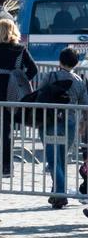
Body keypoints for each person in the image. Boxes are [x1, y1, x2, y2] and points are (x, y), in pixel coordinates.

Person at [0, 17, 37, 176]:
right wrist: (19, 78)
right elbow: (33, 70)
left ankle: (5, 165)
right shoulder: (20, 50)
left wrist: (0, 78)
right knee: (11, 128)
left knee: (4, 129)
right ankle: (8, 162)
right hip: (16, 94)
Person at [32, 48, 88, 208]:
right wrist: (83, 125)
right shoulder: (79, 80)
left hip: (50, 122)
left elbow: (39, 94)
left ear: (60, 61)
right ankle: (56, 192)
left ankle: (60, 193)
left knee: (53, 160)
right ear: (76, 63)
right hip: (70, 124)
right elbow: (85, 105)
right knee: (62, 158)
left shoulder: (50, 76)